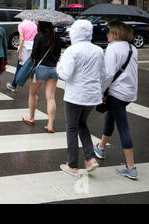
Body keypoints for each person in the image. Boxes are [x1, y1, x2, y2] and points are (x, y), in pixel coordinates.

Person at [56, 20, 105, 176]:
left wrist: (59, 65)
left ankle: (72, 164)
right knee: (82, 124)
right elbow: (103, 73)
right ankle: (90, 158)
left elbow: (65, 74)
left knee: (71, 128)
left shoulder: (72, 50)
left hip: (75, 96)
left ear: (75, 32)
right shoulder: (98, 50)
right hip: (93, 96)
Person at [93, 21, 139, 180]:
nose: (107, 35)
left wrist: (100, 91)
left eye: (109, 32)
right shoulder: (132, 48)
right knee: (110, 117)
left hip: (117, 93)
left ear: (116, 34)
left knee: (123, 126)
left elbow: (108, 74)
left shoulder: (112, 49)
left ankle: (131, 167)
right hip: (129, 92)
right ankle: (101, 147)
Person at [21, 21, 61, 133]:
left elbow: (33, 55)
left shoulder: (39, 36)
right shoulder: (56, 36)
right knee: (51, 97)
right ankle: (50, 124)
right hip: (53, 69)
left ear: (41, 25)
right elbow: (58, 54)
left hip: (40, 69)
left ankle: (31, 117)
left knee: (33, 93)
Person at [7, 19, 37, 93]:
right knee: (32, 68)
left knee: (19, 67)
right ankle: (34, 89)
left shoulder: (21, 25)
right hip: (33, 48)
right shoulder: (34, 25)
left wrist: (19, 53)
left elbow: (21, 39)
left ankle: (13, 85)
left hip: (24, 48)